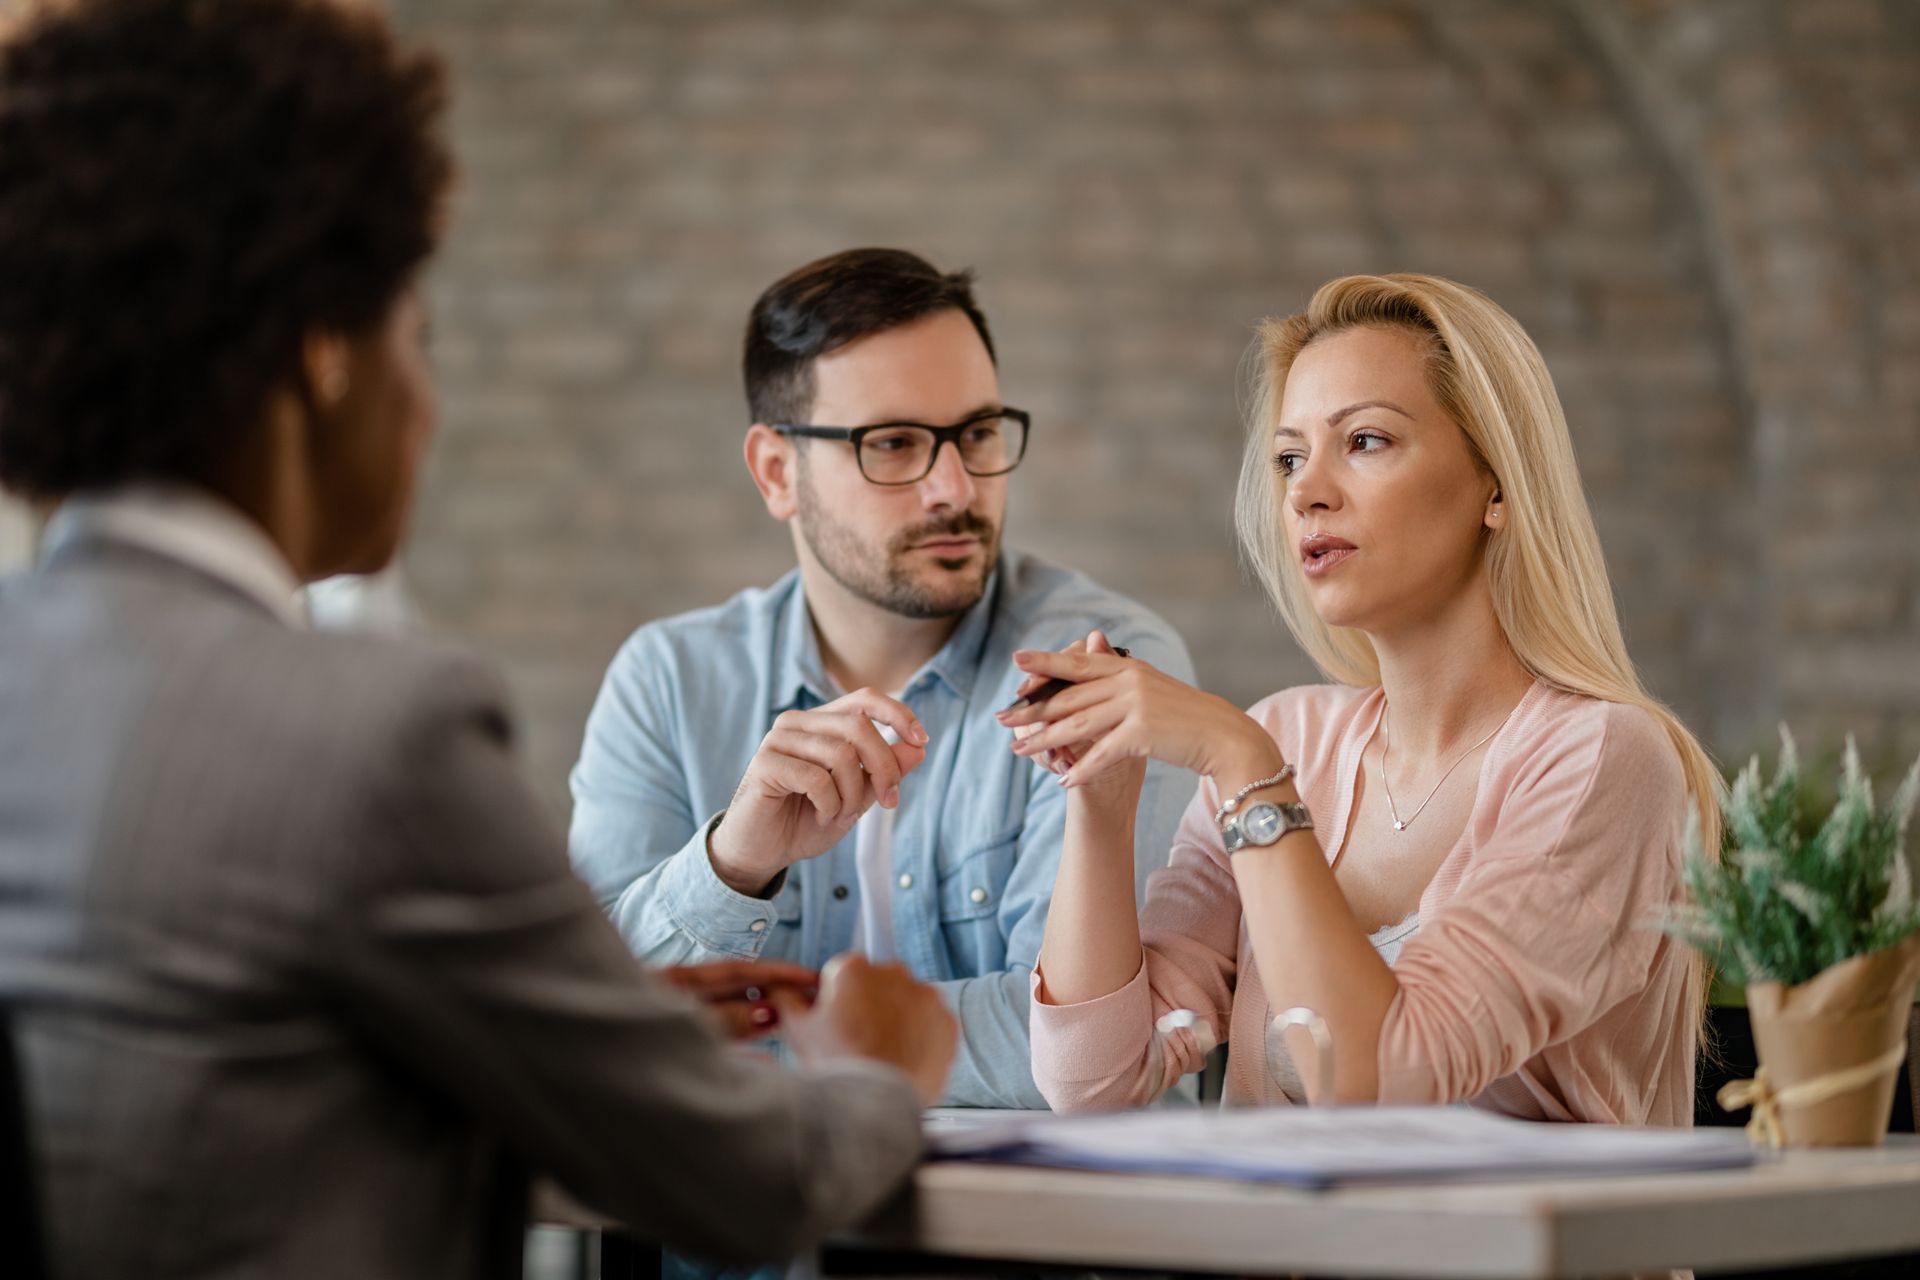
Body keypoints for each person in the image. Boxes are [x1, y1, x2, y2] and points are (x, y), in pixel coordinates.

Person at [0, 3, 955, 1277]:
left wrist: (574, 1044)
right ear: (322, 357)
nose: (428, 399)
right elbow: (755, 1181)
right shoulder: (366, 732)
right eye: (419, 336)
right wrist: (881, 1070)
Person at [1005, 274, 1721, 1122]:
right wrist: (1100, 805)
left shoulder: (1603, 759)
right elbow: (1090, 1083)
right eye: (1290, 457)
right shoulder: (1292, 734)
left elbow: (1379, 1074)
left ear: (1496, 484)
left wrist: (1244, 767)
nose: (1307, 492)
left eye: (1368, 441)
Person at [569, 247, 1195, 1108]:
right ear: (777, 472)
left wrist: (749, 1039)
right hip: (750, 1241)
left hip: (1017, 1240)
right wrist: (734, 863)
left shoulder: (1107, 664)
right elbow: (585, 1030)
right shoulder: (670, 683)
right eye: (893, 445)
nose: (954, 487)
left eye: (977, 434)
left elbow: (1080, 1047)